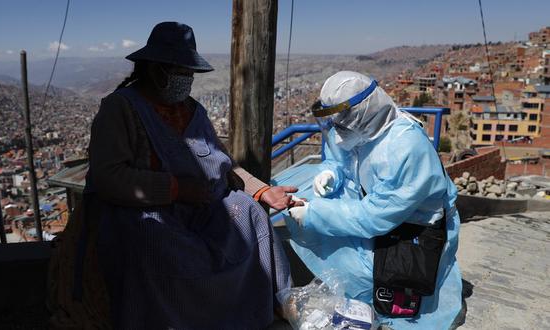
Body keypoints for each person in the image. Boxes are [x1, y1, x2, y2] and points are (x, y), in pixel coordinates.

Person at [48, 22, 296, 329]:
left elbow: (223, 163)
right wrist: (176, 189)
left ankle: (273, 304)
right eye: (178, 71)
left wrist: (260, 191)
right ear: (154, 68)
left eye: (188, 73)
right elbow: (109, 177)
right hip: (144, 212)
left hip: (203, 209)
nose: (185, 80)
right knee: (154, 239)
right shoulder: (120, 109)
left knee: (250, 214)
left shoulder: (193, 110)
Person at [285, 71, 463, 329]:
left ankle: (366, 291)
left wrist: (316, 215)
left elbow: (375, 216)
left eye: (342, 119)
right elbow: (341, 159)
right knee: (308, 198)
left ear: (362, 111)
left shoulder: (406, 146)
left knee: (364, 272)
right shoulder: (360, 128)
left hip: (413, 227)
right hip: (377, 209)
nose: (337, 128)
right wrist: (330, 173)